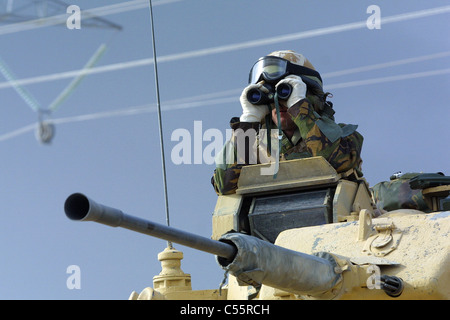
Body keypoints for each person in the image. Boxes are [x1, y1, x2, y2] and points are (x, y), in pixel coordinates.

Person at [211, 50, 364, 195]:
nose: (278, 103)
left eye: (285, 93)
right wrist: (248, 120)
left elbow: (337, 161)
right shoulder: (252, 146)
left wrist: (298, 105)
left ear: (311, 98)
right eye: (272, 95)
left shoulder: (344, 136)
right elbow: (225, 184)